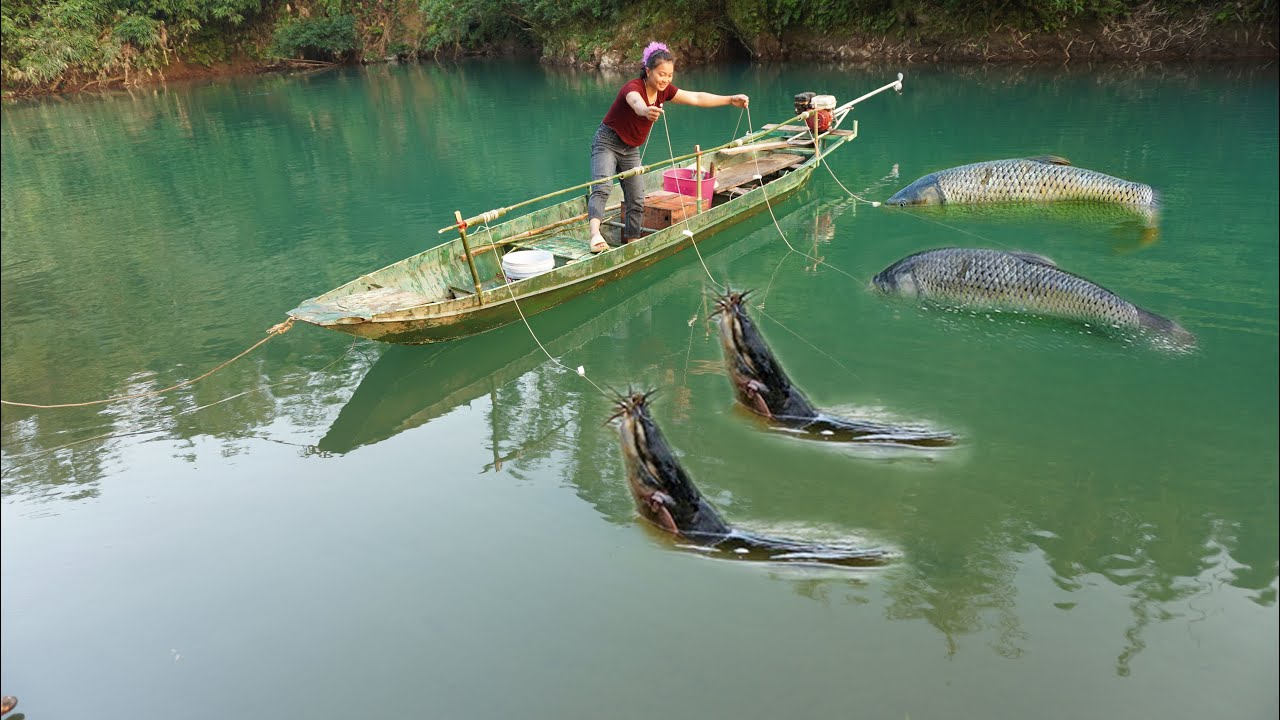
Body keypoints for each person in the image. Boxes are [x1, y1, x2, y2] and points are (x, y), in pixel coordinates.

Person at [587, 42, 749, 253]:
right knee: (603, 186)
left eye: (669, 75)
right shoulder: (633, 88)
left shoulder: (665, 92)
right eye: (661, 74)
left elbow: (696, 97)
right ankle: (595, 235)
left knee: (636, 196)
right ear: (648, 71)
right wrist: (646, 111)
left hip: (631, 148)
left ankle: (633, 242)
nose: (665, 79)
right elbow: (636, 103)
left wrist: (729, 100)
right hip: (607, 141)